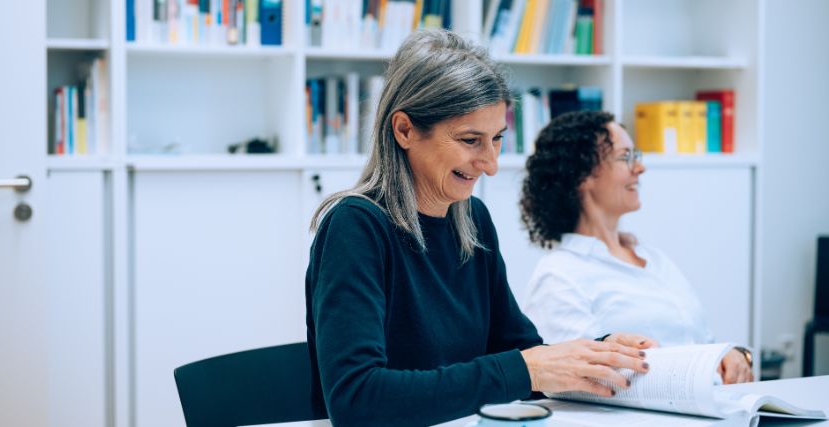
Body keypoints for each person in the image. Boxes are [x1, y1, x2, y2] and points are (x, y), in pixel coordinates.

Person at [305, 30, 654, 427]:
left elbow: (521, 355)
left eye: (497, 139)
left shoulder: (473, 220)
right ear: (404, 130)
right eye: (471, 140)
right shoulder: (355, 227)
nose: (490, 164)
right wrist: (527, 369)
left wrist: (598, 356)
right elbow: (357, 400)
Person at [519, 111, 754, 385]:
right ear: (582, 174)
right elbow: (580, 377)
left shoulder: (652, 258)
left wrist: (732, 355)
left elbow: (699, 340)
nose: (640, 168)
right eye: (625, 157)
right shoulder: (559, 275)